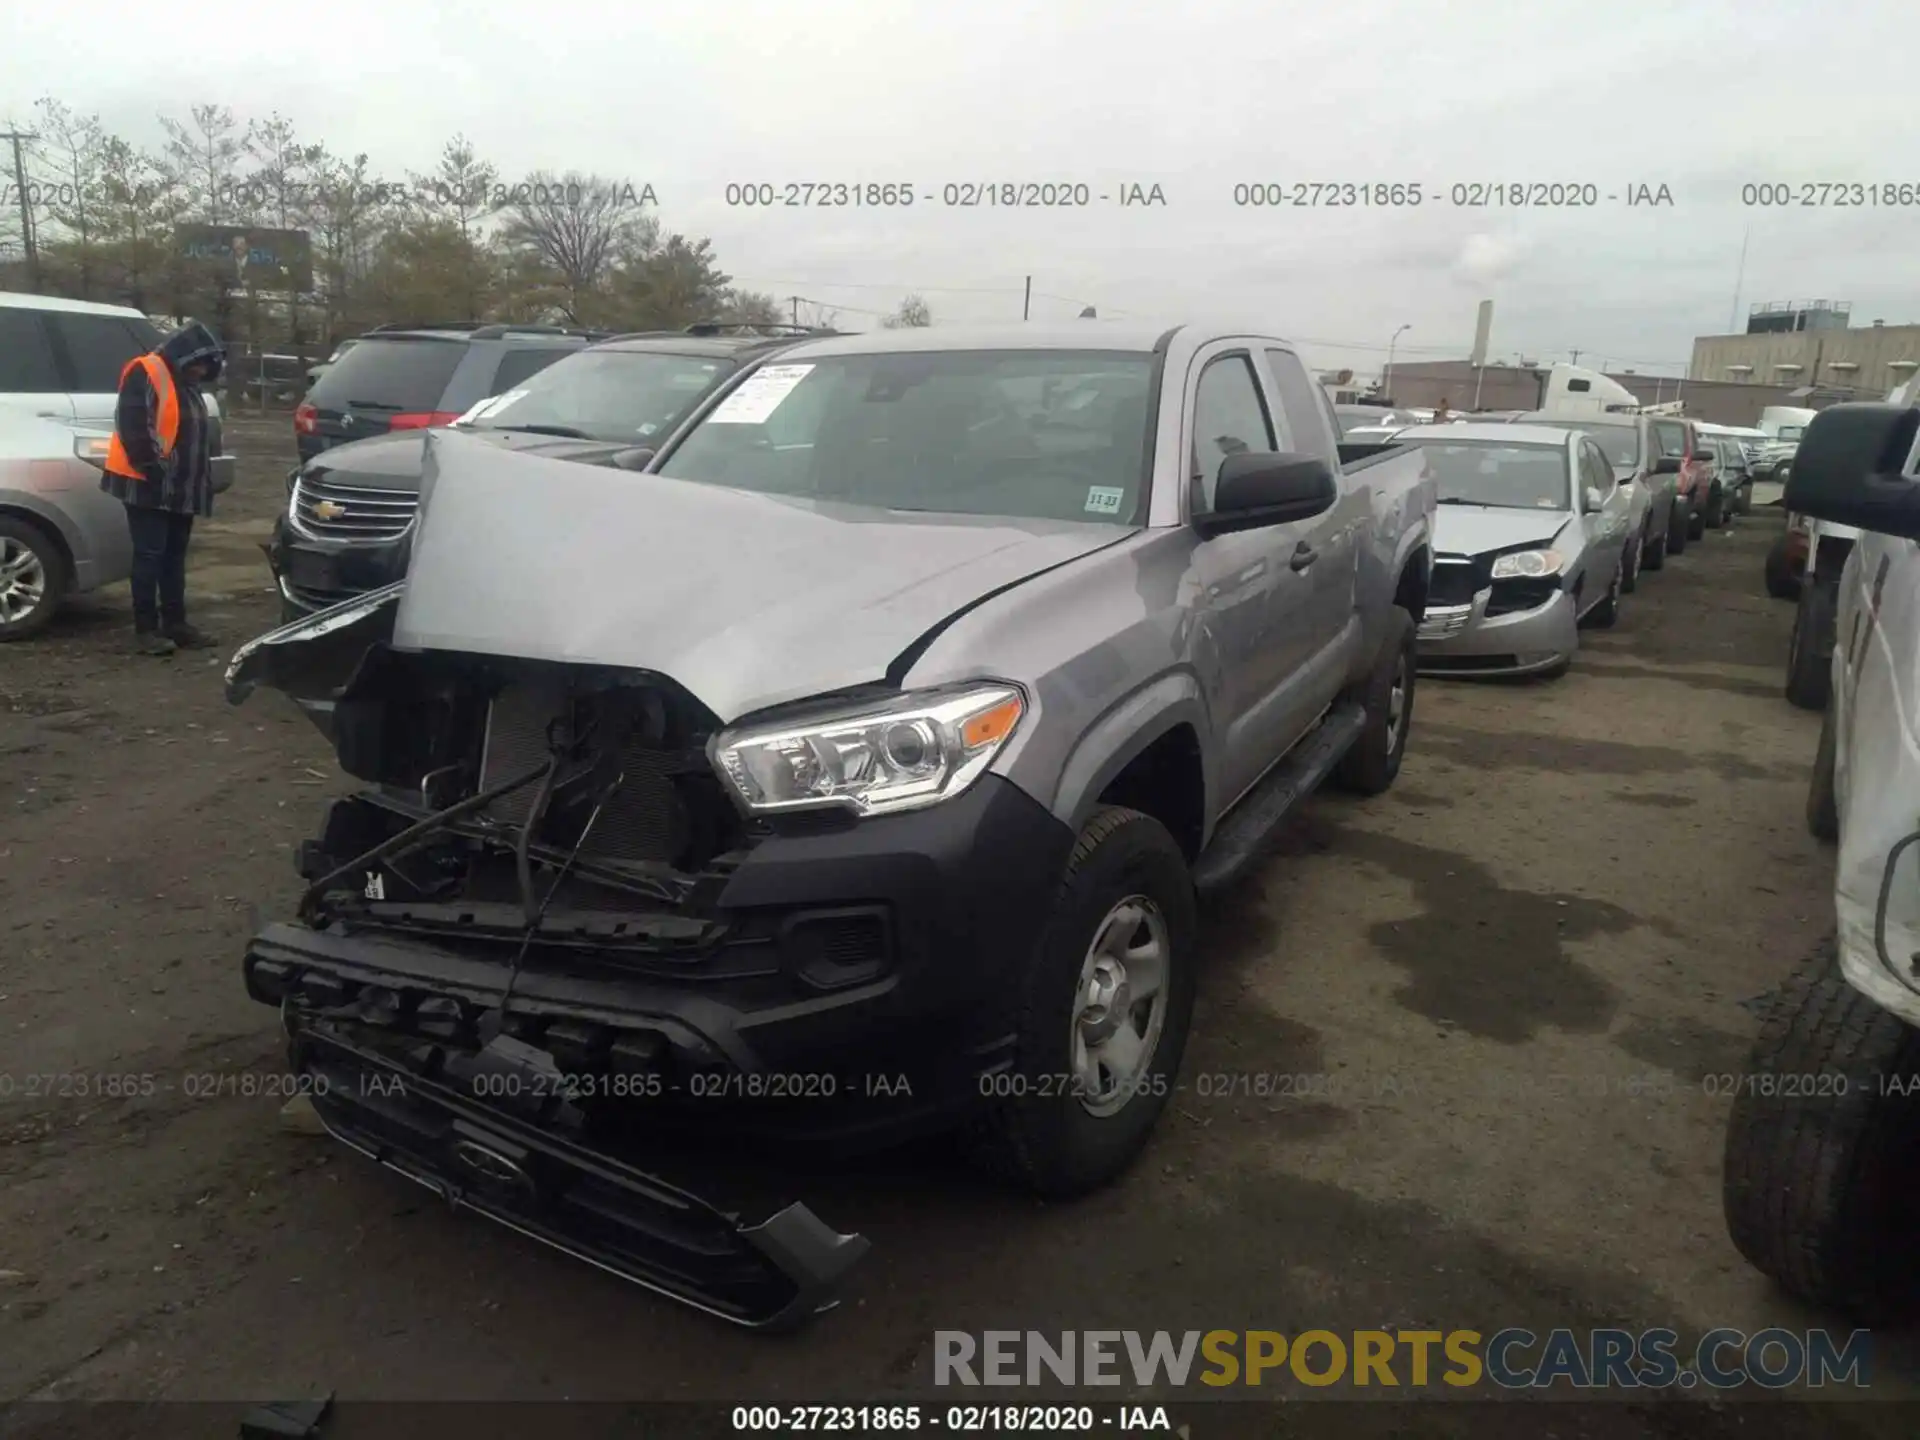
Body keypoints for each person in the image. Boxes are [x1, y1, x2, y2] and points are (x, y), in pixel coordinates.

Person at [99, 321, 226, 655]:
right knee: (150, 556)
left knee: (174, 557)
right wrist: (153, 472)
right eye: (200, 363)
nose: (202, 370)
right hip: (148, 484)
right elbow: (133, 426)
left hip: (181, 487)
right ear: (186, 355)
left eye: (207, 366)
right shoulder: (146, 371)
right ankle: (146, 630)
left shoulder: (188, 381)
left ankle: (176, 623)